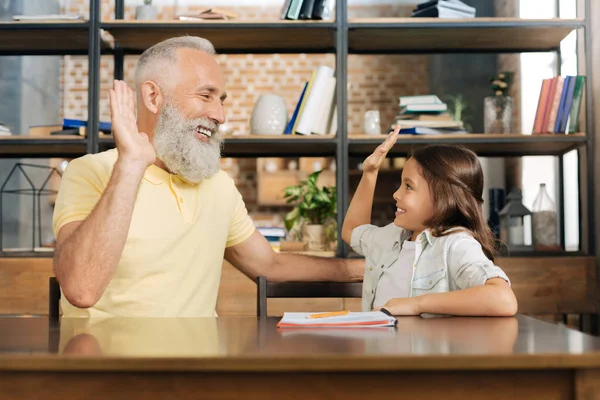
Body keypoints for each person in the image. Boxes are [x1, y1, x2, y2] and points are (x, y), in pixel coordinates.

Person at [52, 36, 363, 318]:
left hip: (196, 370)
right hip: (105, 370)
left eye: (221, 99)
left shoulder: (219, 187)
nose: (220, 116)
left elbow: (270, 265)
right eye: (205, 96)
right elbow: (81, 289)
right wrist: (131, 165)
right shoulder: (90, 171)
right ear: (153, 97)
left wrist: (363, 268)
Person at [341, 128, 518, 316]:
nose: (396, 194)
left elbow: (503, 299)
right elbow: (352, 231)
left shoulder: (455, 244)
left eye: (408, 186)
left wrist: (416, 304)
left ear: (443, 197)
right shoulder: (392, 236)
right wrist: (370, 172)